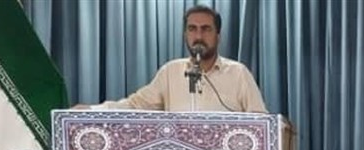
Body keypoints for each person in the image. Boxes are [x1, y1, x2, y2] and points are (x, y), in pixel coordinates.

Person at [86, 6, 267, 112]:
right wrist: (92, 110)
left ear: (218, 36)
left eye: (206, 29)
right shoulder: (170, 72)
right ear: (185, 34)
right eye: (192, 29)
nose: (198, 36)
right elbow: (135, 105)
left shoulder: (238, 73)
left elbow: (261, 120)